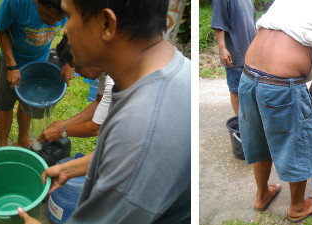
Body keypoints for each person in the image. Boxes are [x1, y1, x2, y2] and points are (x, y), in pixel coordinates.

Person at [16, 0, 191, 223]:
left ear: (106, 24)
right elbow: (123, 160)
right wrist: (70, 169)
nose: (65, 29)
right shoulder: (170, 71)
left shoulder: (141, 131)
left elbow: (136, 156)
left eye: (69, 15)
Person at [238, 0, 312, 222]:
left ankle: (262, 196)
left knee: (260, 138)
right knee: (297, 143)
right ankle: (298, 207)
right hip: (280, 84)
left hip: (249, 74)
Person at [0, 0, 67, 148]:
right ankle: (2, 146)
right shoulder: (16, 2)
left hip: (39, 56)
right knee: (5, 102)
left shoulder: (73, 4)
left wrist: (69, 63)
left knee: (28, 99)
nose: (52, 24)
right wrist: (11, 65)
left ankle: (22, 138)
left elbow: (73, 27)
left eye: (58, 19)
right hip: (13, 57)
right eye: (47, 16)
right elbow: (1, 29)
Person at [37, 35, 113, 142]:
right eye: (74, 67)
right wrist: (64, 124)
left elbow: (96, 127)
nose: (77, 72)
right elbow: (98, 102)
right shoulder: (103, 67)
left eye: (78, 66)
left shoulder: (114, 80)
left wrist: (61, 131)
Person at [212, 0, 256, 116]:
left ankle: (249, 122)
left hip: (250, 54)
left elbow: (253, 24)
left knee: (251, 90)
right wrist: (223, 49)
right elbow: (218, 23)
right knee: (236, 89)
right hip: (235, 53)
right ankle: (239, 124)